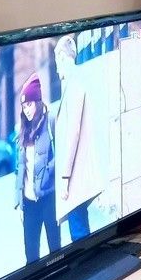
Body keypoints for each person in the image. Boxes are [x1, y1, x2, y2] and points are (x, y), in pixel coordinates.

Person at [53, 34, 103, 243]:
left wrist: (65, 178)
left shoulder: (74, 83)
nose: (56, 68)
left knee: (79, 233)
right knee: (79, 226)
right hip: (77, 173)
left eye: (56, 60)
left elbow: (73, 133)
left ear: (62, 57)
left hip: (75, 176)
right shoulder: (75, 81)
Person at [15, 75, 60, 265]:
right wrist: (19, 201)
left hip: (48, 197)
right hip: (29, 203)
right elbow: (20, 168)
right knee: (31, 256)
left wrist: (48, 174)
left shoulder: (50, 122)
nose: (27, 110)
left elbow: (61, 154)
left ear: (38, 102)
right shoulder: (22, 130)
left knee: (56, 251)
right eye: (24, 107)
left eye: (30, 105)